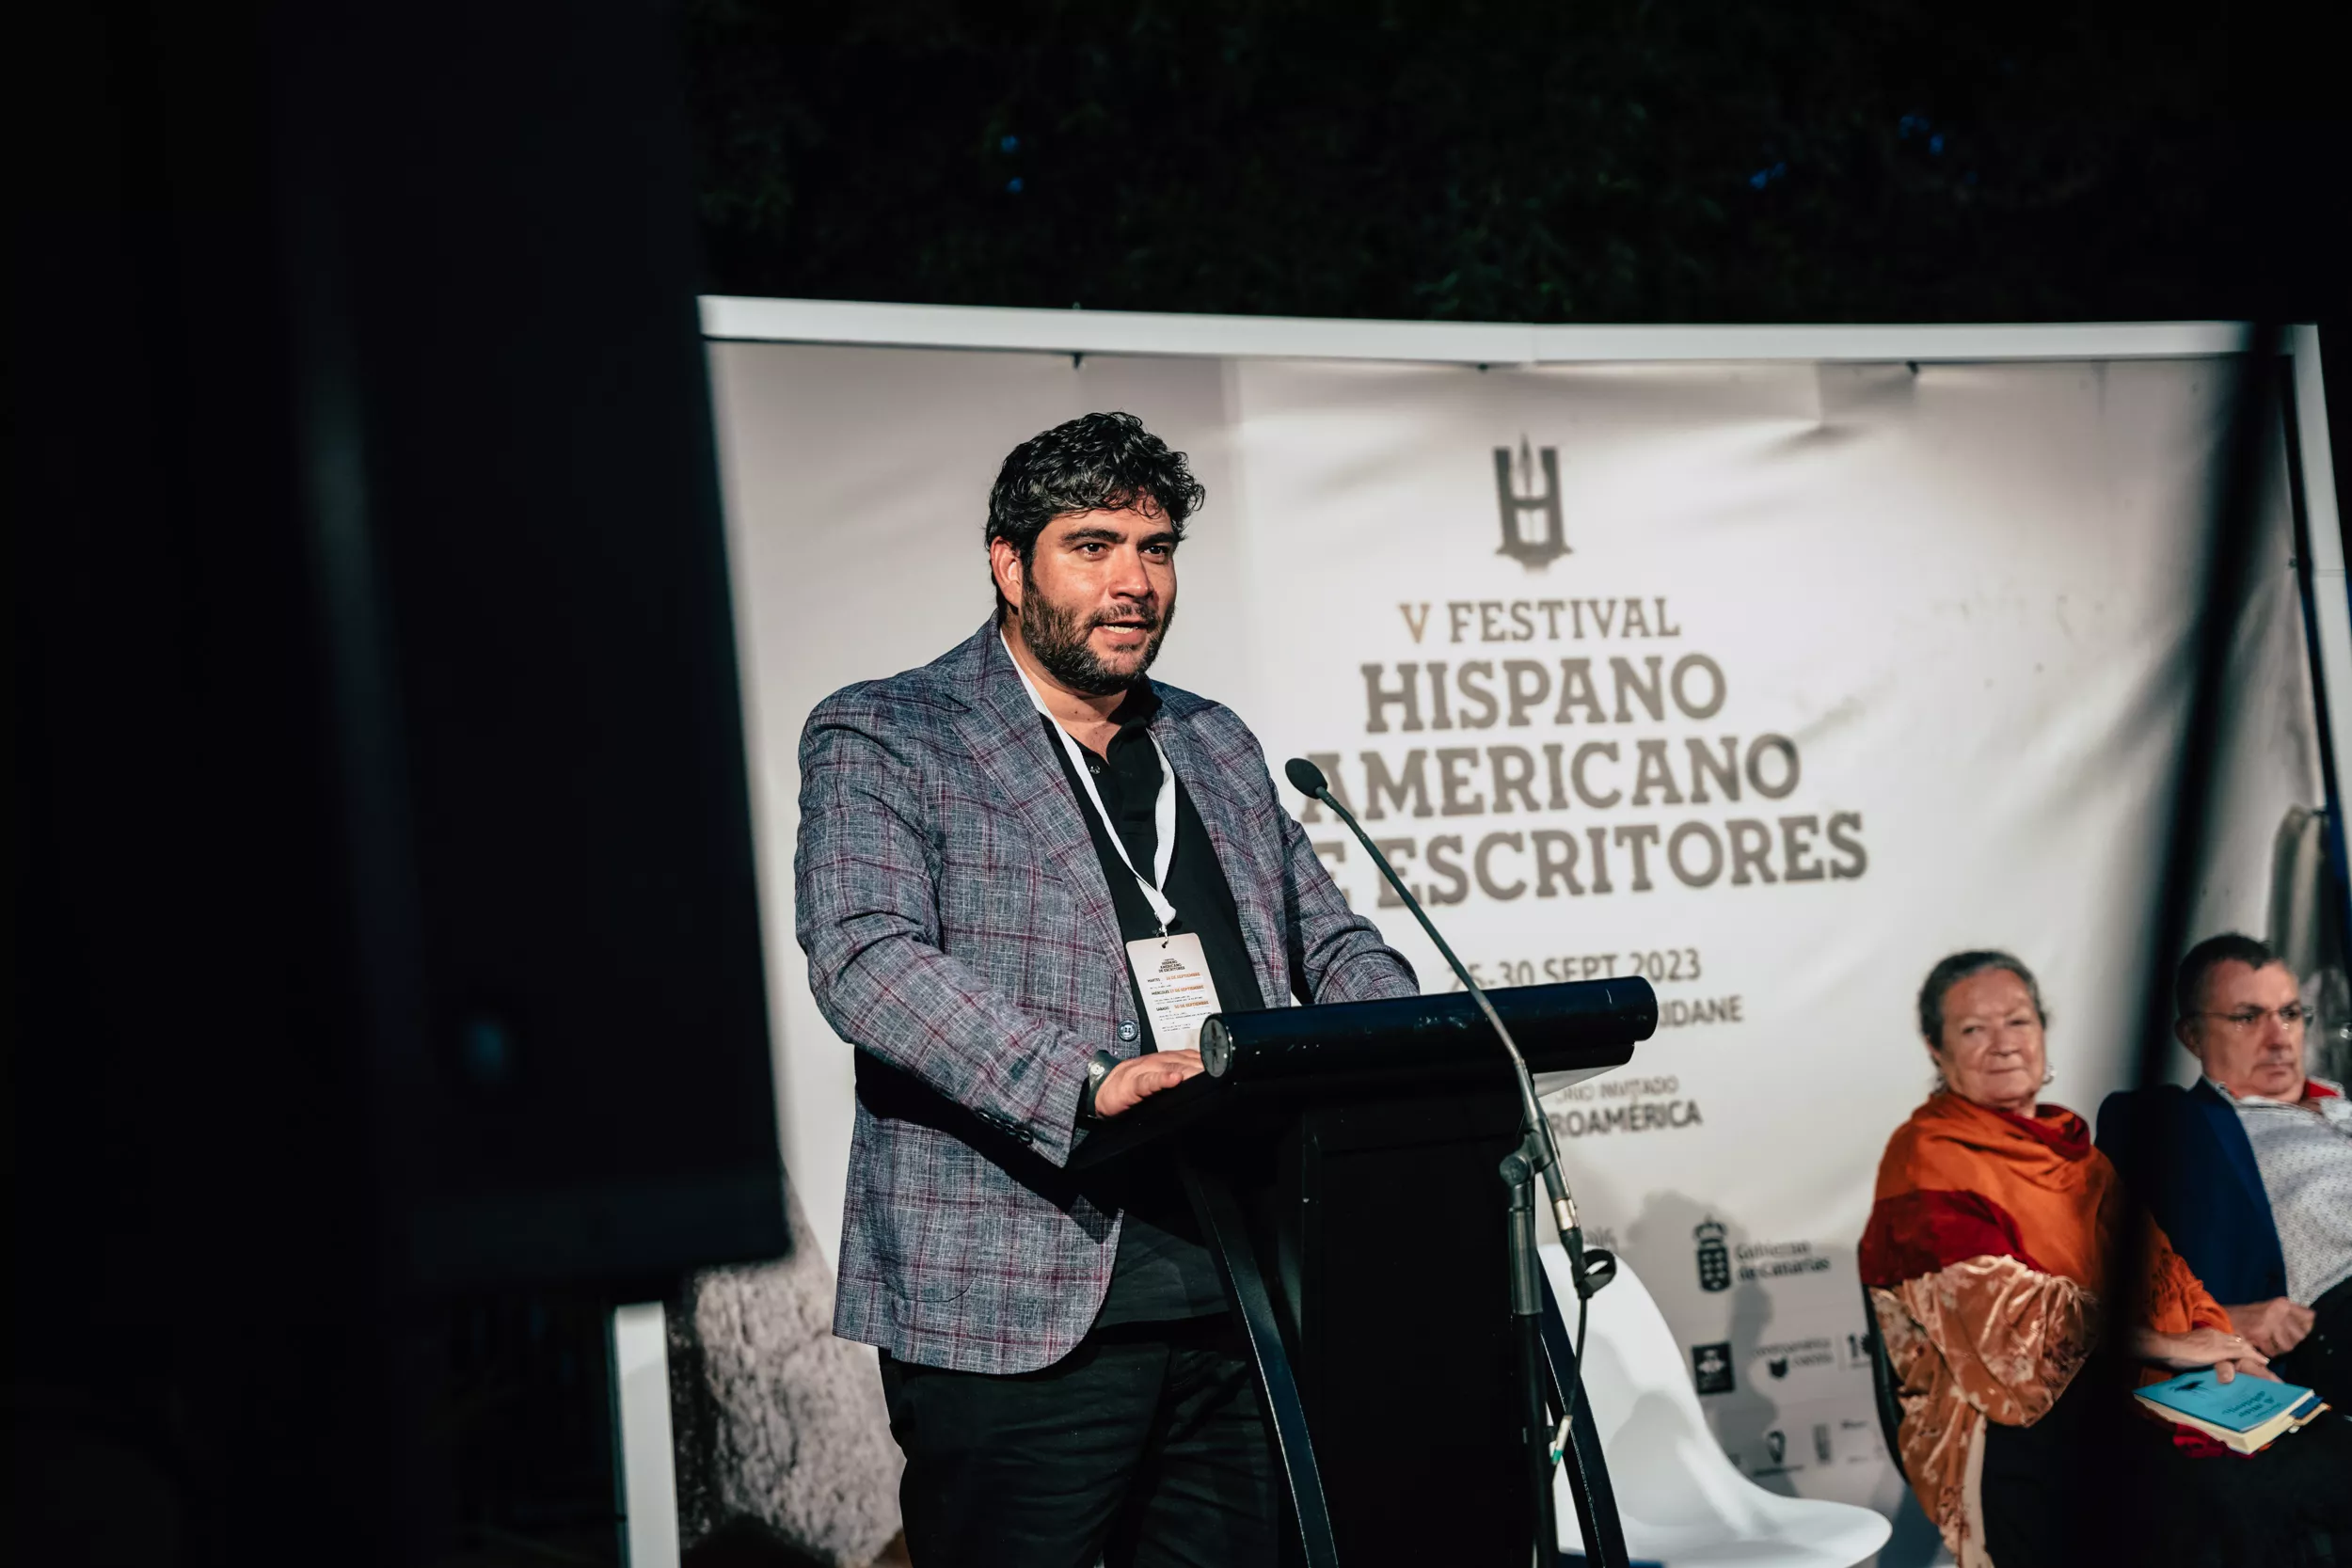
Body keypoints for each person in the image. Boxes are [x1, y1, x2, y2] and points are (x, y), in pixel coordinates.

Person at [794, 411, 1418, 1568]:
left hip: (1241, 1281)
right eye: (1094, 545)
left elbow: (1328, 943)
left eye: (1157, 546)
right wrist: (1084, 1079)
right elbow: (865, 955)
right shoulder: (888, 730)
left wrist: (1399, 1035)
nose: (1134, 581)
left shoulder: (1214, 740)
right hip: (1018, 1299)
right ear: (1006, 560)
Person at [1860, 950, 2352, 1568]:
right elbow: (2002, 1330)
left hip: (2150, 1394)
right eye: (1973, 1029)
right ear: (1937, 1049)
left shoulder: (2075, 1155)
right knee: (2233, 1503)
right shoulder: (1927, 1158)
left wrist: (2226, 1345)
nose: (2004, 1044)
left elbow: (2166, 1274)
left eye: (2018, 1021)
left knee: (2328, 1455)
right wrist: (2168, 1345)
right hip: (2018, 1429)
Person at [2099, 933, 2352, 1411]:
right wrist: (2223, 1321)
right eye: (2247, 1018)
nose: (2278, 1038)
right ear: (2191, 1036)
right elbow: (2107, 1278)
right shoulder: (2170, 1126)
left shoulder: (2342, 1104)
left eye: (2290, 1014)